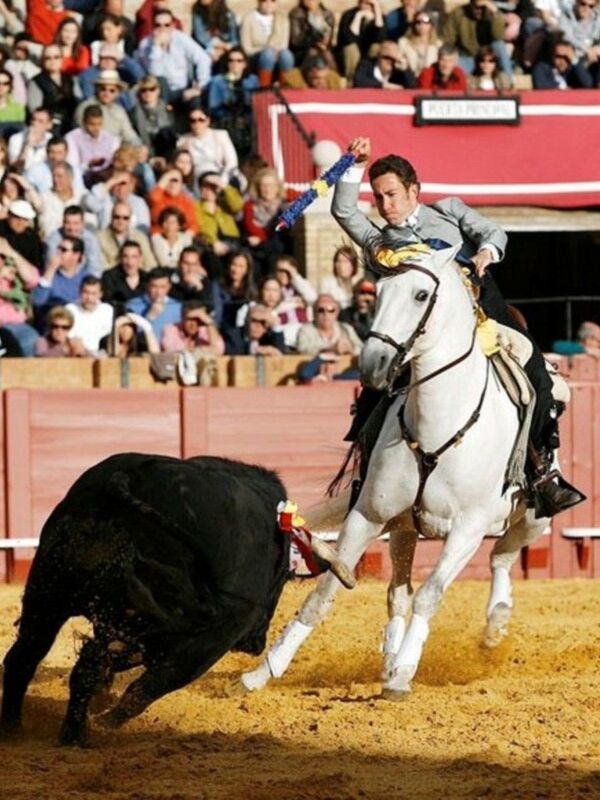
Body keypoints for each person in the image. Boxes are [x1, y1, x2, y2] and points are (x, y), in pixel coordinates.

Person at [331, 135, 584, 516]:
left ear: (414, 190)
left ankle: (542, 474)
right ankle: (367, 480)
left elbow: (493, 232)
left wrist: (485, 251)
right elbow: (344, 211)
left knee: (535, 378)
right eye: (379, 197)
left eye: (392, 195)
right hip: (418, 334)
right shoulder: (381, 242)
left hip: (481, 310)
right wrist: (353, 165)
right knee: (372, 395)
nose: (385, 206)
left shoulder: (447, 210)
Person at [135, 8, 212, 104]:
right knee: (160, 81)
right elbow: (155, 74)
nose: (162, 29)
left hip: (183, 89)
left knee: (196, 100)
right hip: (159, 91)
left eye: (166, 25)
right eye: (157, 25)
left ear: (172, 26)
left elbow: (203, 58)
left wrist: (200, 86)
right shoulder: (145, 45)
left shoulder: (181, 39)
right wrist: (156, 47)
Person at [443, 0, 513, 79]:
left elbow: (498, 36)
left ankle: (510, 83)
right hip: (467, 56)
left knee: (499, 45)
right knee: (456, 71)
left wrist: (495, 13)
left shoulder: (491, 13)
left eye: (482, 8)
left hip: (487, 58)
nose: (479, 10)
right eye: (476, 7)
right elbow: (448, 40)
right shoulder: (458, 13)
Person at [31, 234, 88, 324]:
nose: (58, 253)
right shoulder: (49, 275)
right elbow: (37, 301)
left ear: (76, 255)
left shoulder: (86, 277)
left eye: (63, 250)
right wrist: (51, 269)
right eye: (58, 248)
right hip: (54, 323)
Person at [74, 70, 141, 147]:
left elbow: (129, 135)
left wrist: (140, 147)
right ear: (97, 89)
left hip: (117, 152)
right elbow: (80, 136)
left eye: (112, 90)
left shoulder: (119, 110)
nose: (107, 93)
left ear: (118, 92)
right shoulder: (84, 108)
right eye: (103, 89)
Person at [176, 106, 239, 186]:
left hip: (221, 175)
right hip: (196, 179)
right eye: (193, 120)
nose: (197, 123)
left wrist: (222, 180)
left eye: (201, 120)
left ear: (207, 121)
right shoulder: (183, 140)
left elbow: (232, 162)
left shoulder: (220, 136)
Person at [239, 0, 294, 87]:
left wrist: (276, 51)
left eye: (272, 1)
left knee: (287, 55)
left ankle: (285, 88)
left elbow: (284, 44)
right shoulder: (248, 19)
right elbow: (246, 49)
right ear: (259, 2)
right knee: (268, 54)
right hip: (256, 57)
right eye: (264, 1)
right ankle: (264, 88)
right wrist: (266, 49)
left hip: (278, 54)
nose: (269, 4)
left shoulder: (282, 19)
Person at [26, 44, 77, 135]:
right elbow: (35, 110)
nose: (52, 61)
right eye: (48, 58)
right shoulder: (36, 82)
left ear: (61, 59)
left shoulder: (70, 79)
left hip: (70, 125)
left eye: (56, 57)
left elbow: (78, 102)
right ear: (43, 61)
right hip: (47, 129)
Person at [96, 200, 157, 271]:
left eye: (125, 218)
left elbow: (151, 264)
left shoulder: (140, 237)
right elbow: (103, 267)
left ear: (130, 219)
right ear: (111, 217)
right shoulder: (99, 238)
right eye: (117, 217)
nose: (121, 221)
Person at [125, 265, 182, 340]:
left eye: (162, 287)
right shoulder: (133, 305)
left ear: (169, 287)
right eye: (154, 286)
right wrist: (150, 317)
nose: (158, 292)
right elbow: (129, 337)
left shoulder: (177, 306)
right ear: (147, 286)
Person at [45, 204, 103, 277]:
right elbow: (52, 266)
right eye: (68, 223)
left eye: (76, 223)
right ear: (63, 223)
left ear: (83, 224)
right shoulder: (54, 240)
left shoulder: (90, 240)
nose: (71, 228)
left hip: (84, 281)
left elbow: (95, 268)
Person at [65, 104, 119, 181]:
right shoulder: (72, 138)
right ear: (84, 122)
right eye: (92, 124)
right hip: (83, 179)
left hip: (107, 178)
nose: (96, 128)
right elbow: (72, 168)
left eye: (99, 124)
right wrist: (89, 165)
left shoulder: (111, 138)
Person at [337, 0, 386, 83]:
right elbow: (348, 39)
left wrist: (377, 14)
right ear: (359, 3)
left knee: (376, 47)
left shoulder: (380, 17)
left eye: (371, 4)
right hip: (350, 56)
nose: (368, 7)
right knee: (351, 47)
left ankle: (373, 79)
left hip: (368, 55)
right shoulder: (348, 15)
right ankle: (352, 81)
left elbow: (380, 38)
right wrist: (358, 16)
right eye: (365, 3)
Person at [65, 274, 113, 353]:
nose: (89, 298)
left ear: (100, 294)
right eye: (86, 292)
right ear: (79, 292)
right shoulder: (70, 309)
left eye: (93, 293)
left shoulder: (107, 310)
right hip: (76, 355)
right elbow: (69, 337)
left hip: (103, 355)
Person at [101, 239, 148, 310]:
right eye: (125, 257)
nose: (130, 262)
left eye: (134, 257)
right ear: (120, 258)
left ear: (140, 258)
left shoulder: (147, 278)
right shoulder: (109, 277)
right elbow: (107, 304)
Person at [353, 39, 417, 88]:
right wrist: (383, 85)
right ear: (378, 56)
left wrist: (405, 70)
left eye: (393, 59)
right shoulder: (367, 64)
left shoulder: (398, 72)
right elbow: (358, 81)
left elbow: (412, 86)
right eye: (386, 57)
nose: (390, 61)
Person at [319, 244, 363, 309]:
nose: (341, 265)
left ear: (353, 265)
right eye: (338, 261)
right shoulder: (327, 283)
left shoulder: (359, 284)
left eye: (345, 261)